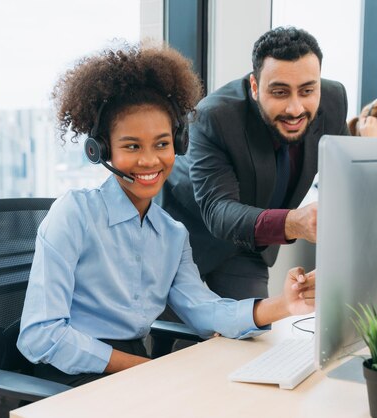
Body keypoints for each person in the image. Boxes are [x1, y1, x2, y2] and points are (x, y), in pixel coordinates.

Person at [16, 42, 316, 387]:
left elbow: (205, 311)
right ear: (100, 148)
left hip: (132, 370)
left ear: (179, 145)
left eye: (161, 144)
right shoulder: (74, 213)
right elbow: (40, 335)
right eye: (132, 146)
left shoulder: (172, 234)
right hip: (68, 376)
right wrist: (143, 368)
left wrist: (285, 304)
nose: (149, 161)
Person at [158, 27, 348, 300]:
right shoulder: (214, 116)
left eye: (307, 90)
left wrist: (334, 268)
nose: (295, 108)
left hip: (249, 243)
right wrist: (294, 222)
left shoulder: (334, 101)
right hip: (187, 235)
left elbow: (350, 187)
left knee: (252, 334)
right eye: (280, 92)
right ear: (255, 87)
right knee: (175, 337)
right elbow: (218, 210)